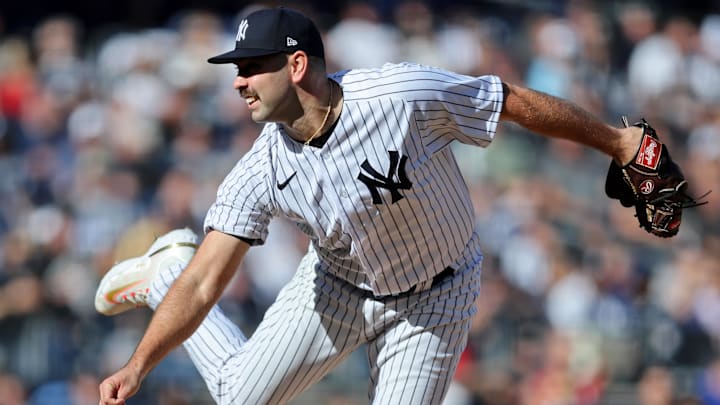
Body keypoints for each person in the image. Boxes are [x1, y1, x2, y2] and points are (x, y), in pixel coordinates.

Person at [96, 6, 648, 405]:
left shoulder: (399, 96)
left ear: (295, 65)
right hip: (337, 286)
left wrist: (620, 144)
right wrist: (139, 364)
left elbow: (512, 101)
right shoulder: (258, 170)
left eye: (252, 66)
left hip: (435, 296)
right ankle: (162, 270)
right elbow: (203, 283)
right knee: (238, 397)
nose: (239, 81)